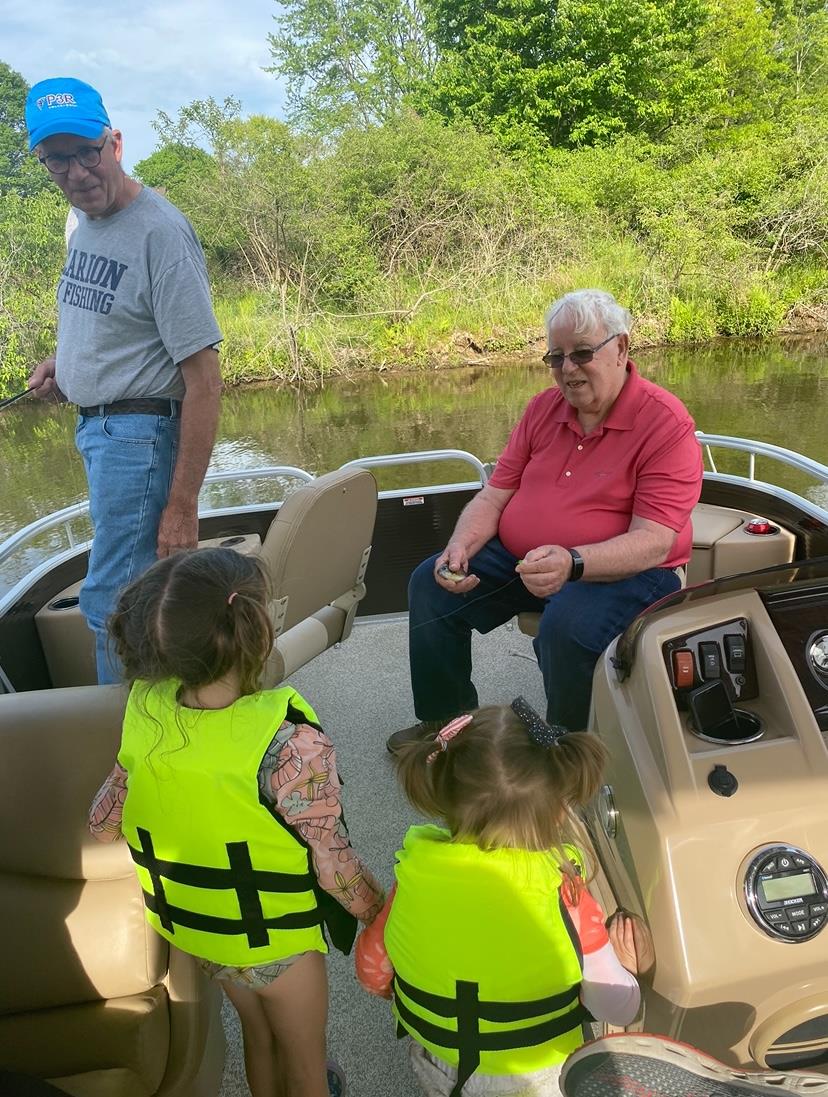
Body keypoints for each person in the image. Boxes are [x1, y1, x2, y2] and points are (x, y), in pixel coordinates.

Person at [88, 547, 384, 1097]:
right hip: (276, 942)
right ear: (258, 633)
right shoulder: (292, 742)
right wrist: (379, 913)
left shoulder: (144, 708)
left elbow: (103, 822)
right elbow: (332, 864)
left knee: (258, 1035)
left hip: (201, 934)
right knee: (306, 1063)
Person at [389, 289, 703, 750]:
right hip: (528, 560)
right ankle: (446, 728)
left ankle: (565, 752)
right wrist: (459, 548)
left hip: (635, 572)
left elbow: (654, 542)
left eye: (581, 353)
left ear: (621, 348)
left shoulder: (665, 423)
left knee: (567, 628)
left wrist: (573, 562)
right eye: (555, 358)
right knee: (429, 583)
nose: (567, 370)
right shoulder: (542, 409)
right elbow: (494, 497)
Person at [24, 77, 222, 683]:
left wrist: (183, 504)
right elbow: (109, 317)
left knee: (113, 600)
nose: (77, 171)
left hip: (138, 440)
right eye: (58, 157)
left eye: (88, 150)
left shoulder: (158, 232)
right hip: (104, 433)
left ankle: (127, 751)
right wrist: (70, 365)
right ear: (43, 161)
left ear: (115, 142)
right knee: (131, 592)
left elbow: (206, 379)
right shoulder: (85, 224)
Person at [356, 700, 643, 1097]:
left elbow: (371, 975)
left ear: (444, 792)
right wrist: (626, 965)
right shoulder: (565, 891)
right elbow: (618, 1007)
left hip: (440, 1067)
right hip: (535, 1076)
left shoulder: (413, 874)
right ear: (558, 810)